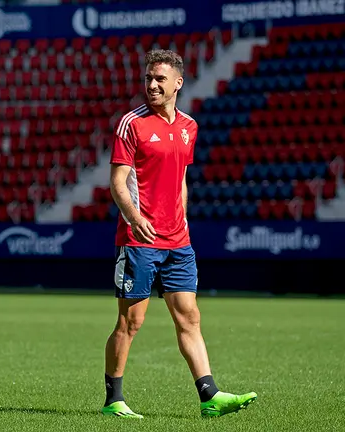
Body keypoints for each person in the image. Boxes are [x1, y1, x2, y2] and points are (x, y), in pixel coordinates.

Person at [102, 49, 256, 419]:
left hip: (178, 241)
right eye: (147, 78)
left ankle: (210, 396)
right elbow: (117, 183)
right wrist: (135, 217)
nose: (151, 85)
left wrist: (181, 220)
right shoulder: (131, 124)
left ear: (178, 83)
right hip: (139, 240)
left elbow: (181, 181)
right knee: (131, 322)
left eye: (159, 79)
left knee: (189, 317)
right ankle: (113, 401)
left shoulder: (189, 126)